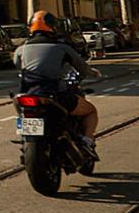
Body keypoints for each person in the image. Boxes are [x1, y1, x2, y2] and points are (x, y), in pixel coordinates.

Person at [14, 10, 101, 152]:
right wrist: (92, 73)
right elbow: (82, 67)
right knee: (90, 111)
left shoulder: (20, 50)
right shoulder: (62, 48)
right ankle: (87, 140)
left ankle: (25, 139)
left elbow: (19, 68)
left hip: (27, 95)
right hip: (55, 95)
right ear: (52, 27)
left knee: (22, 112)